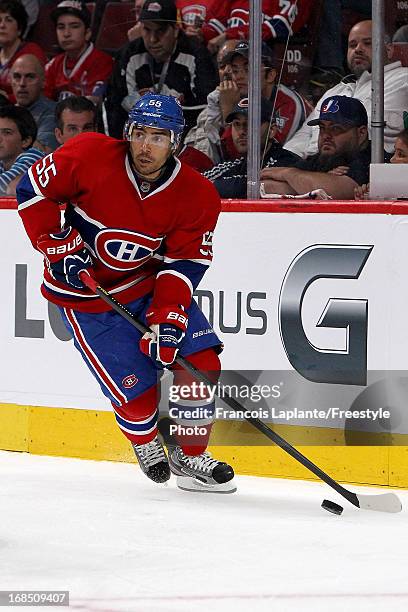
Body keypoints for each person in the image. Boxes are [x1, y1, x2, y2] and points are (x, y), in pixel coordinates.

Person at [16, 93, 235, 494]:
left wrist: (168, 317)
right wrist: (56, 244)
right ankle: (145, 439)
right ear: (126, 133)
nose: (146, 145)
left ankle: (189, 454)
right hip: (85, 296)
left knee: (200, 363)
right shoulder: (87, 155)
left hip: (148, 284)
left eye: (158, 136)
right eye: (139, 133)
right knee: (138, 399)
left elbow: (184, 263)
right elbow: (32, 188)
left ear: (177, 142)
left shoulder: (197, 194)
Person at [286, 20, 408, 157]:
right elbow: (303, 136)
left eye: (367, 43)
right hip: (316, 165)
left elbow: (361, 134)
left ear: (389, 50)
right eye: (352, 45)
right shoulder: (336, 90)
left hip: (366, 169)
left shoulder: (403, 79)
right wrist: (287, 162)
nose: (358, 49)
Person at [103, 0, 218, 138]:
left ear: (175, 30)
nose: (153, 39)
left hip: (183, 139)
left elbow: (207, 111)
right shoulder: (129, 54)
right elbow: (114, 107)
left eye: (160, 30)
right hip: (137, 138)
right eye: (147, 29)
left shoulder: (196, 55)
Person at [261, 95, 388, 200]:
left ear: (361, 133)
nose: (326, 135)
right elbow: (265, 186)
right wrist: (316, 182)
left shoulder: (374, 158)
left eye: (336, 128)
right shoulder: (320, 158)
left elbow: (340, 191)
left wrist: (287, 174)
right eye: (322, 128)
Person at [204, 97, 299, 197]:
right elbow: (197, 183)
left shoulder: (287, 163)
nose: (241, 132)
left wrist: (221, 186)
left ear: (271, 130)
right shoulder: (236, 164)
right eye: (237, 124)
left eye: (250, 124)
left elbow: (264, 186)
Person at [44, 0, 114, 103]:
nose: (66, 33)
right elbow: (44, 102)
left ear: (87, 33)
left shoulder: (103, 62)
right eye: (61, 27)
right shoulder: (53, 65)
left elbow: (94, 104)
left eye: (74, 26)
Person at [11, 54, 59, 152]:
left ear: (43, 82)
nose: (22, 84)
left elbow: (42, 154)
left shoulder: (54, 113)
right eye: (17, 77)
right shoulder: (6, 112)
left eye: (30, 77)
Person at [0, 0, 46, 101]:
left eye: (8, 20)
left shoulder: (31, 52)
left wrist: (6, 98)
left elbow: (36, 92)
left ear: (20, 29)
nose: (2, 25)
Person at [0, 104, 44, 195]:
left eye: (7, 133)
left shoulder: (34, 158)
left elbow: (3, 184)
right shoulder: (2, 162)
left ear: (25, 141)